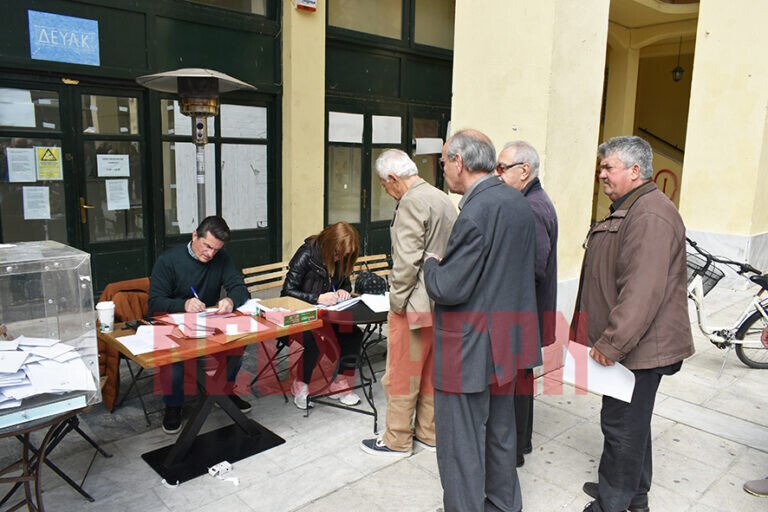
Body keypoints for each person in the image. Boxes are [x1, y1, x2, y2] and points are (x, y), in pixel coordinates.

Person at [572, 136, 695, 512]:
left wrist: (612, 343)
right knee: (631, 423)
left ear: (635, 171)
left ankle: (615, 502)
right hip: (634, 345)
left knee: (622, 426)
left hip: (639, 348)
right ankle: (634, 495)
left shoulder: (650, 214)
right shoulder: (633, 208)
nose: (602, 174)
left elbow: (642, 290)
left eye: (609, 167)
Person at [424, 129, 540, 512]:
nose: (442, 170)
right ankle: (505, 504)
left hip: (469, 346)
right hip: (506, 341)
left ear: (459, 162)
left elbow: (449, 287)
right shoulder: (518, 201)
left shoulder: (476, 211)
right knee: (501, 431)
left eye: (443, 162)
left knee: (460, 442)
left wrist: (431, 267)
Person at [360, 149, 457, 456]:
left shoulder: (411, 202)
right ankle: (429, 434)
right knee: (428, 372)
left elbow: (406, 262)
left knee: (402, 373)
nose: (387, 191)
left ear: (393, 179)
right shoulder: (441, 197)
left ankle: (398, 438)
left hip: (414, 303)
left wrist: (396, 302)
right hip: (441, 300)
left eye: (385, 185)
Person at [148, 215, 250, 435]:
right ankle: (173, 406)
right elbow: (154, 303)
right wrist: (183, 304)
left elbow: (240, 288)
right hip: (173, 324)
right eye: (207, 246)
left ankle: (222, 392)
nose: (211, 254)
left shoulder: (221, 258)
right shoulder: (168, 260)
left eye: (216, 249)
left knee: (237, 347)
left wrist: (231, 300)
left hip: (206, 323)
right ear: (195, 235)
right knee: (174, 360)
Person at [494, 140, 558, 467]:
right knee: (522, 378)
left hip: (522, 312)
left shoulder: (530, 207)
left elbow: (534, 266)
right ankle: (523, 441)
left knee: (517, 381)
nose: (497, 174)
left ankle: (515, 449)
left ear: (524, 171)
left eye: (502, 168)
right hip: (526, 311)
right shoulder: (533, 199)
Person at [281, 222, 363, 409]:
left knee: (354, 334)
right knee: (316, 338)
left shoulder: (342, 258)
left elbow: (345, 284)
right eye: (336, 254)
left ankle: (340, 384)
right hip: (300, 316)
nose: (338, 259)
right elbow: (286, 292)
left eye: (344, 256)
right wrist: (317, 298)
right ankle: (300, 384)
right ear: (329, 243)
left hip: (328, 316)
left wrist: (343, 290)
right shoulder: (307, 254)